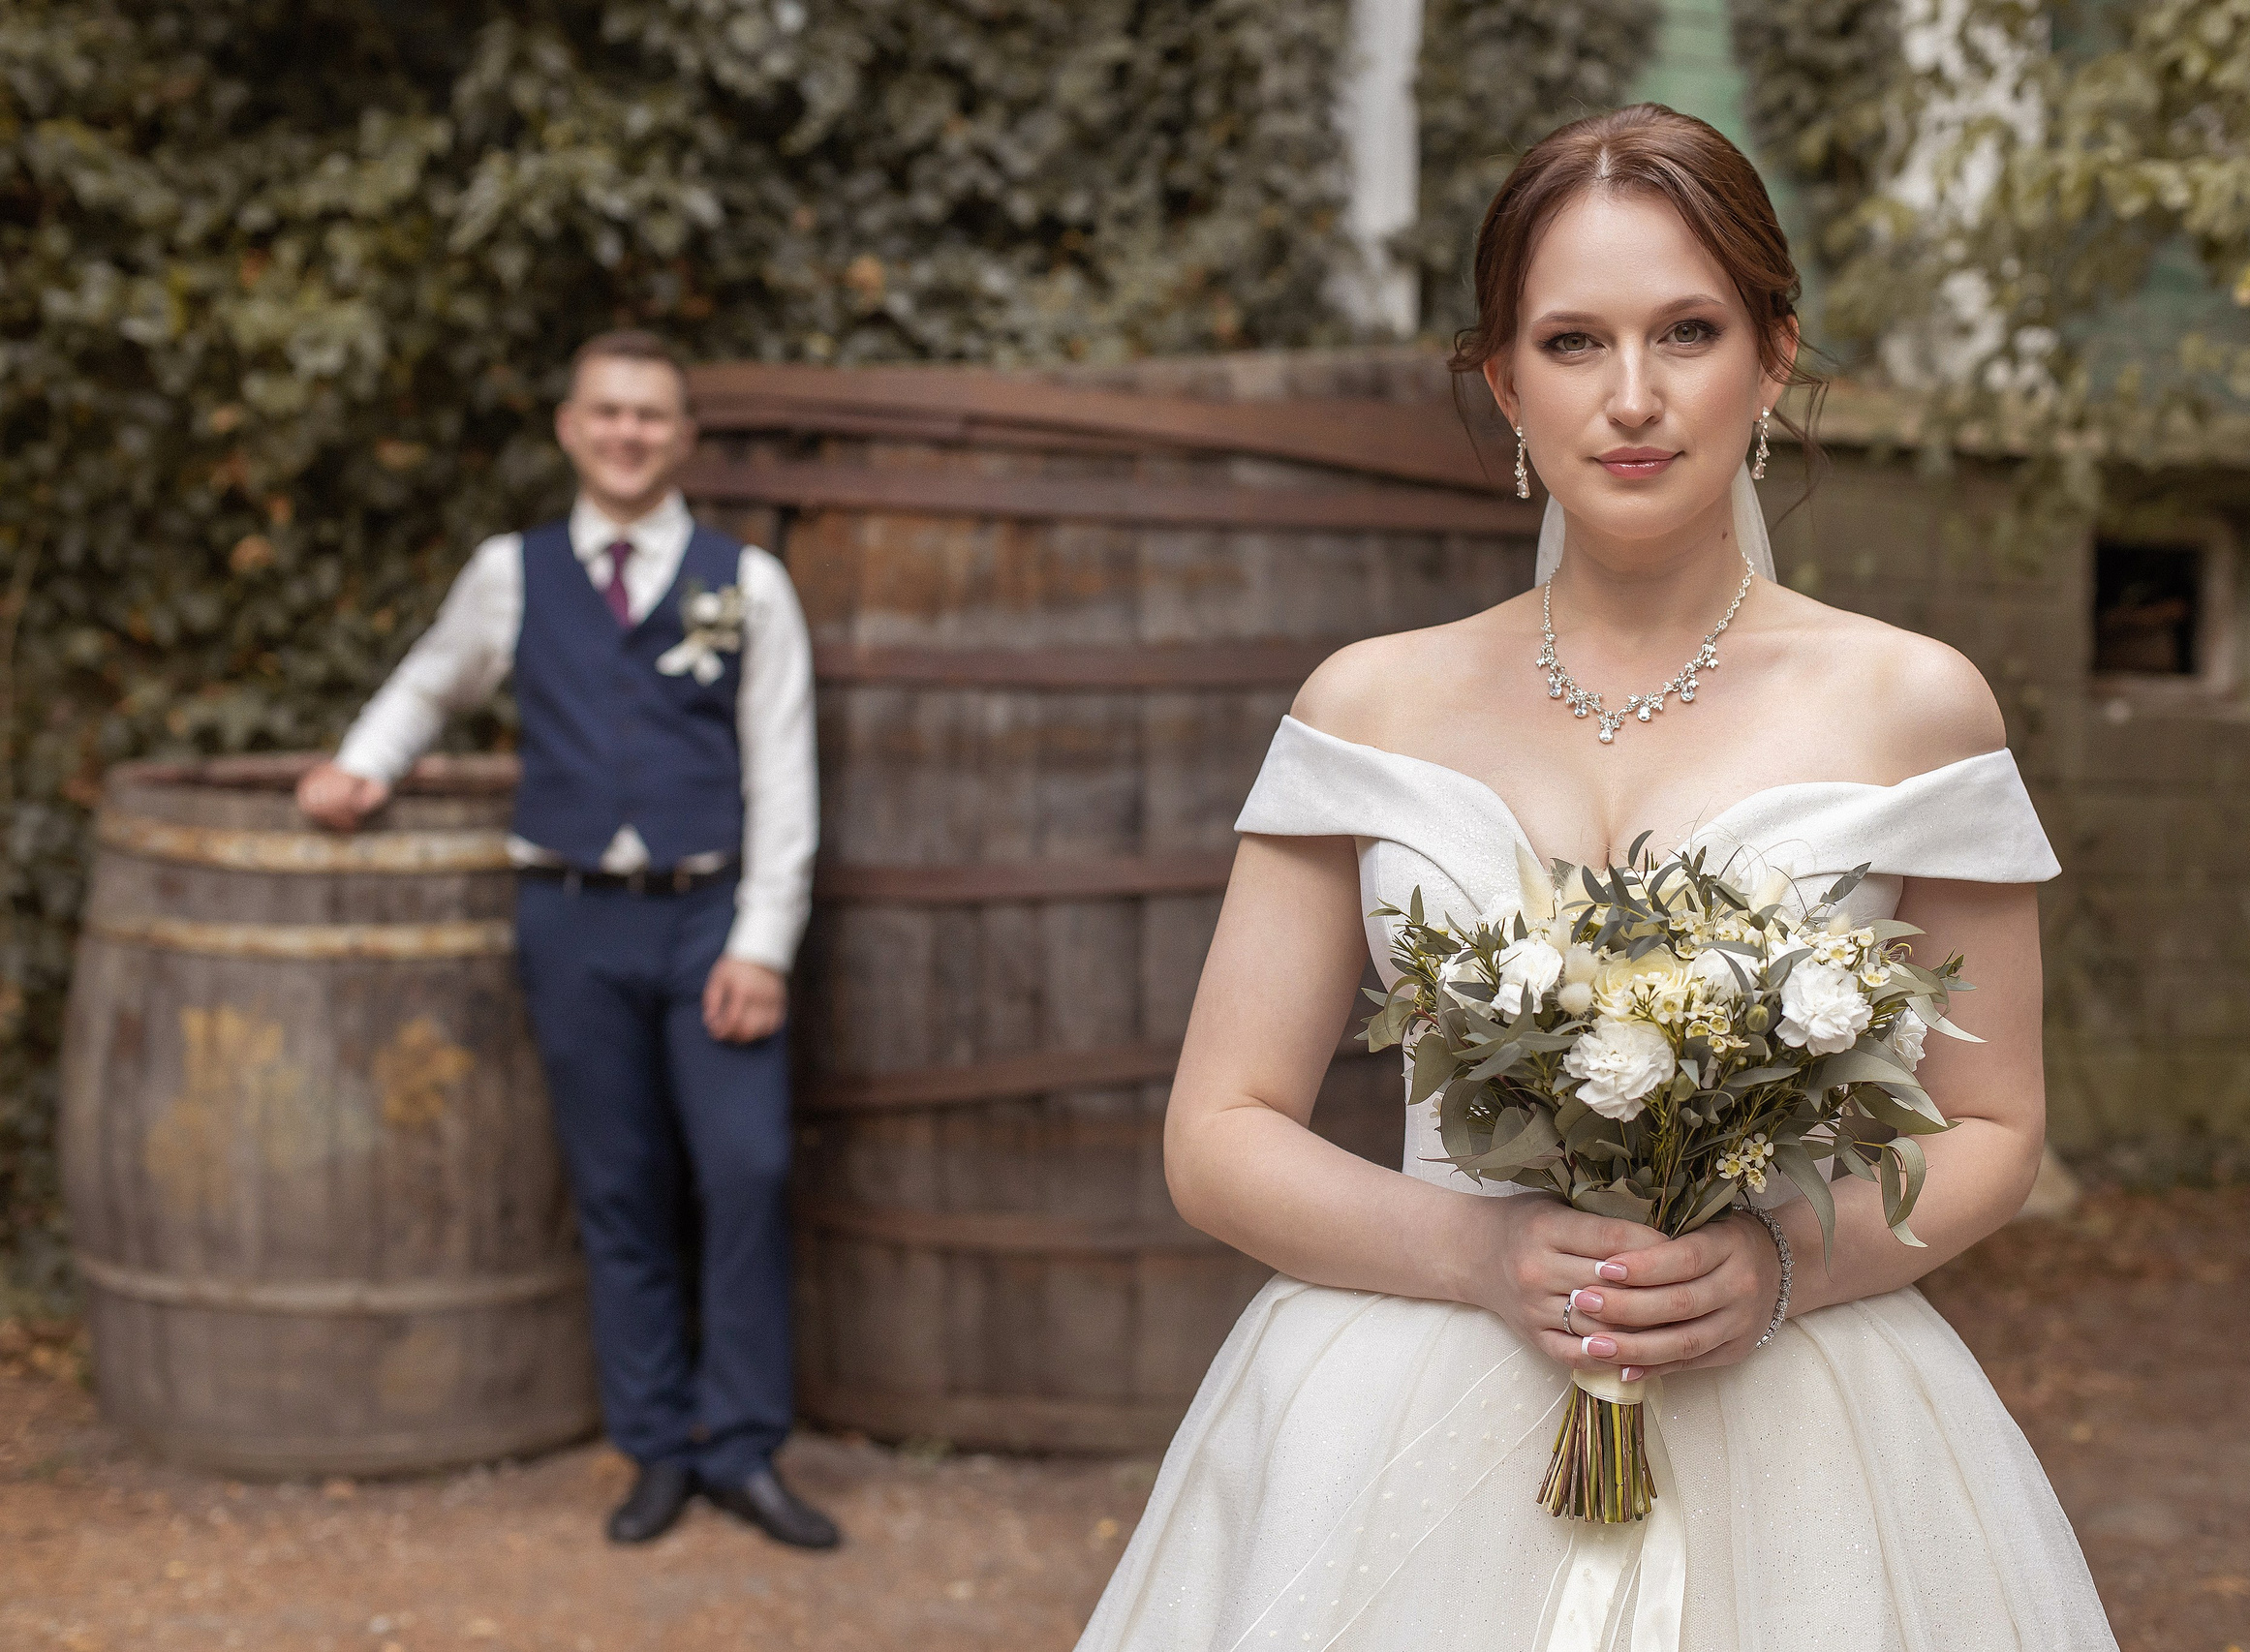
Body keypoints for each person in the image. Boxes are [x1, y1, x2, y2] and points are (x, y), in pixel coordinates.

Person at [1077, 107, 2118, 1649]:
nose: (1633, 396)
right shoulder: (1367, 702)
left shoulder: (1916, 703)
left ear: (1773, 357)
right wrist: (1479, 1249)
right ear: (1506, 383)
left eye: (1688, 331)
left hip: (1796, 1427)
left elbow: (1996, 1127)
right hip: (1403, 1425)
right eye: (1573, 341)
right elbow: (1218, 1133)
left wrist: (1780, 1261)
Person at [296, 331, 838, 1551]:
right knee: (617, 1183)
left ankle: (743, 1447)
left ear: (683, 436)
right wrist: (363, 765)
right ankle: (654, 1447)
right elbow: (431, 682)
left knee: (745, 1169)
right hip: (570, 916)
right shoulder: (512, 572)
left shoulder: (746, 582)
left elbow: (783, 771)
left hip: (709, 917)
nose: (627, 432)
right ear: (569, 426)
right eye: (607, 411)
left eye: (650, 414)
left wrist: (762, 942)